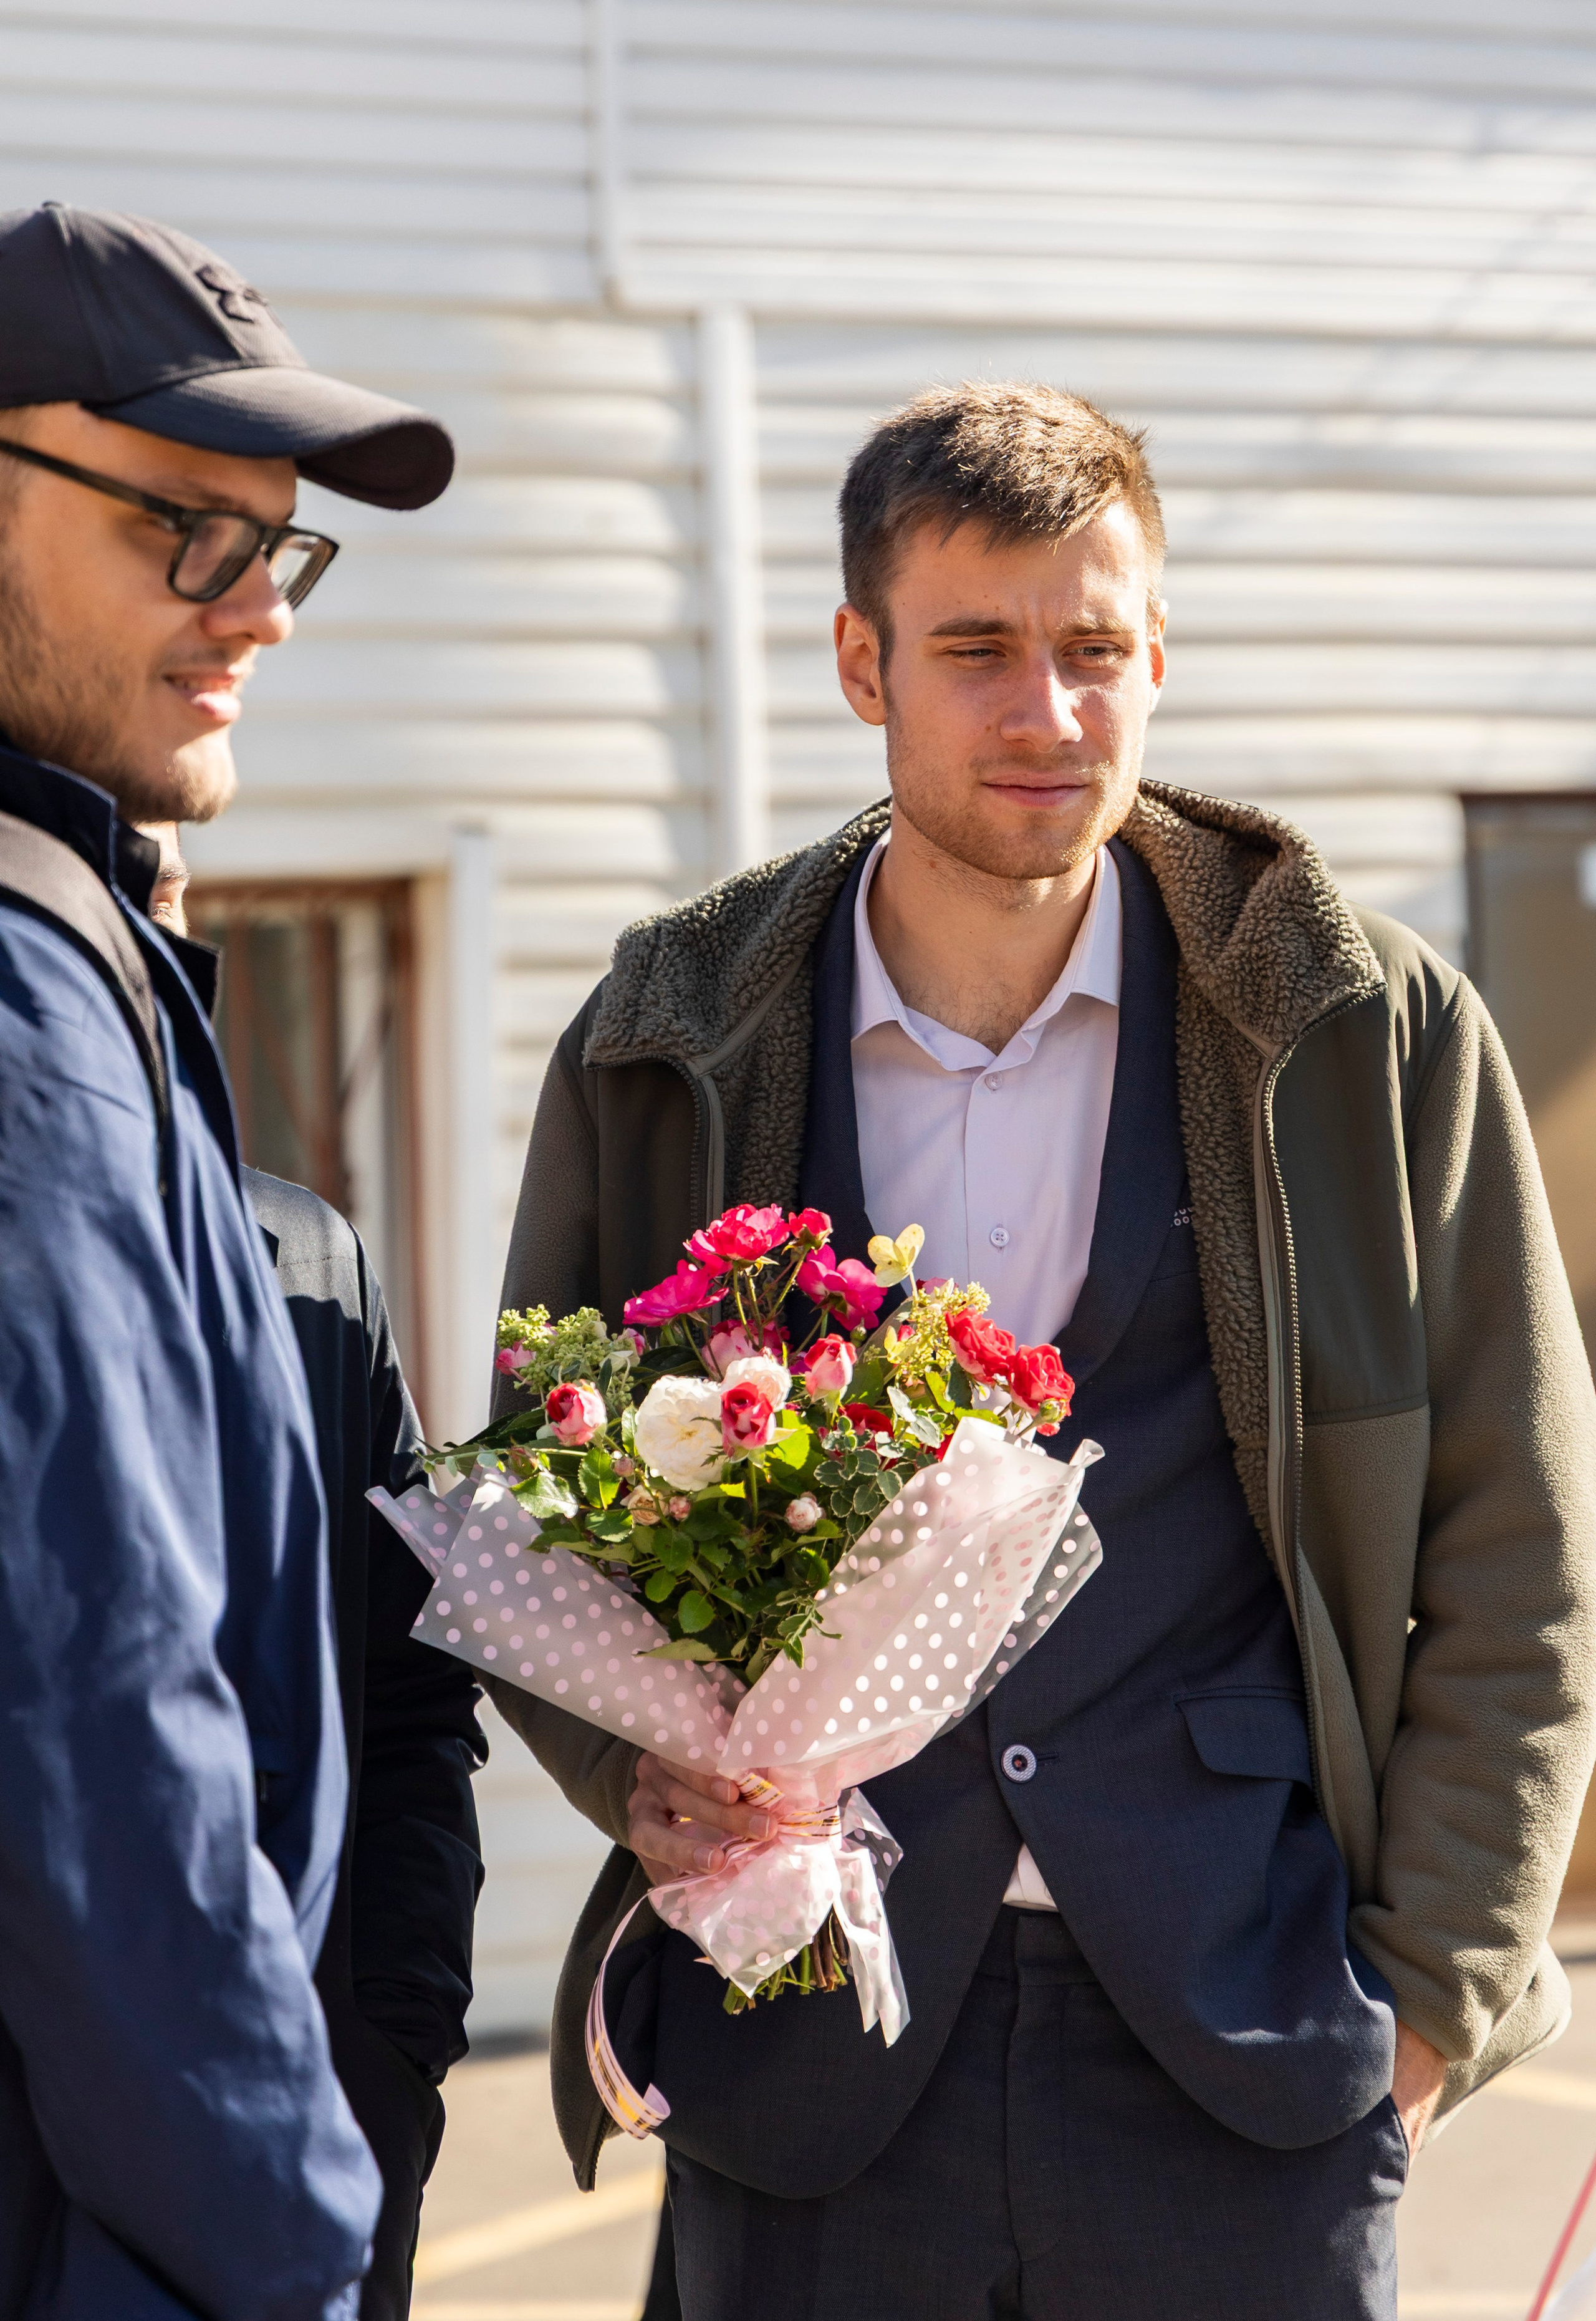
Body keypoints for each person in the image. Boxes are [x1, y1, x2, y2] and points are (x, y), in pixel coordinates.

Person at [485, 383, 1596, 2319]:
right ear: (862, 660)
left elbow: (1526, 1551)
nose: (1049, 711)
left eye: (1095, 648)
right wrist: (626, 1772)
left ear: (1159, 652)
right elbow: (534, 1488)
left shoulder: (1370, 1032)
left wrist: (1424, 2008)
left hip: (1247, 2063)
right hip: (803, 2059)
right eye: (978, 649)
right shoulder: (669, 1029)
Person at [0, 200, 453, 2317]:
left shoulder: (85, 945)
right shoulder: (21, 1000)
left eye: (281, 542)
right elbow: (99, 1730)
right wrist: (301, 2249)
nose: (260, 608)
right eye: (188, 528)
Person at [143, 831, 487, 2320]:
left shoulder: (308, 1259)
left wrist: (395, 2055)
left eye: (155, 888)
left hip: (321, 2132)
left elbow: (414, 1702)